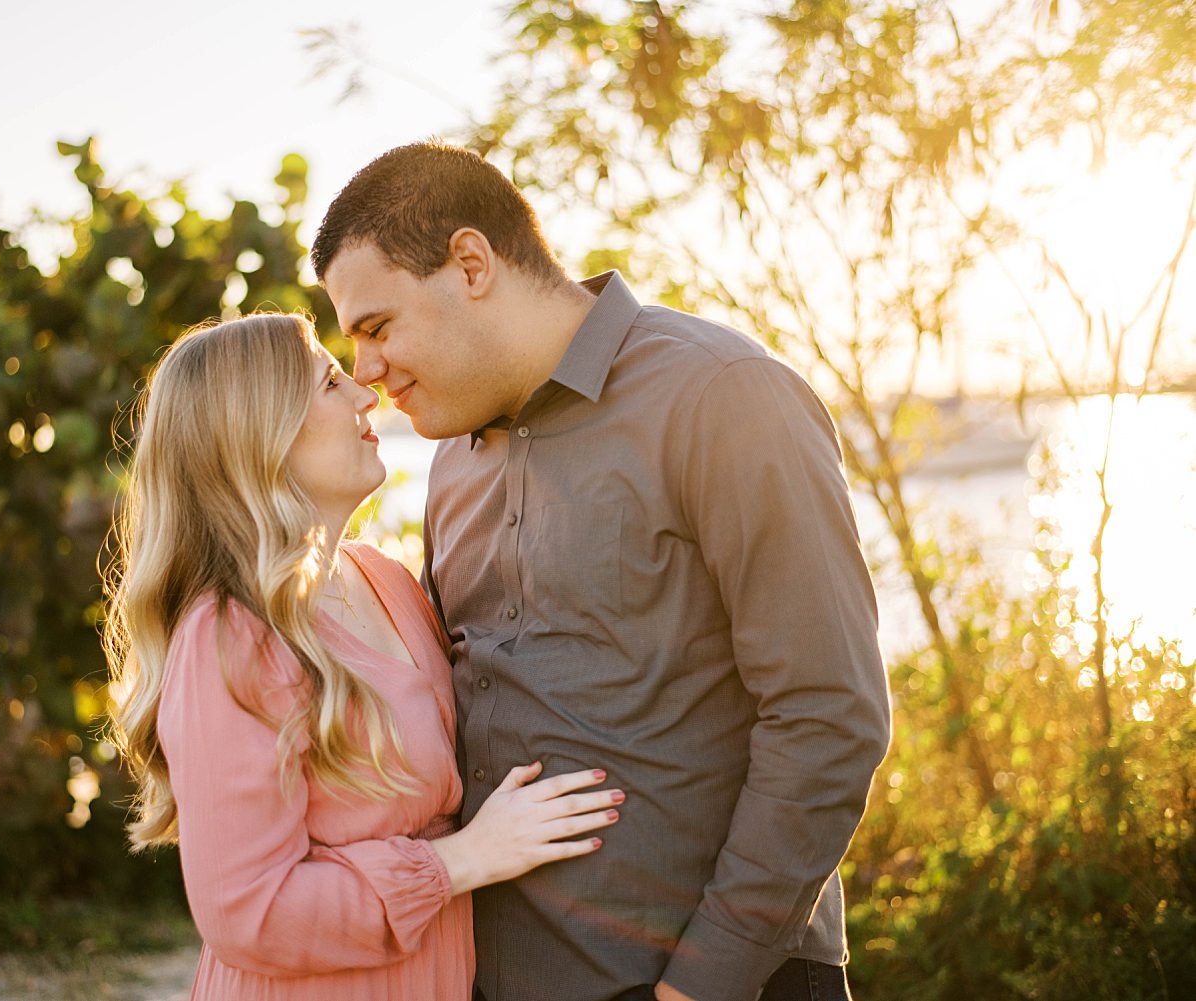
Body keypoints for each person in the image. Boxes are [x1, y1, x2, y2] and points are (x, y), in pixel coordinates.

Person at [311, 142, 894, 1001]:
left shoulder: (721, 394)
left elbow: (828, 713)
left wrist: (704, 981)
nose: (363, 370)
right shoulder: (453, 466)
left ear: (471, 263)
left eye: (376, 326)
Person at [99, 312, 624, 1001]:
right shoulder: (227, 636)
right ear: (261, 431)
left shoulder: (387, 579)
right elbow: (249, 911)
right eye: (330, 381)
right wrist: (465, 858)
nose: (366, 394)